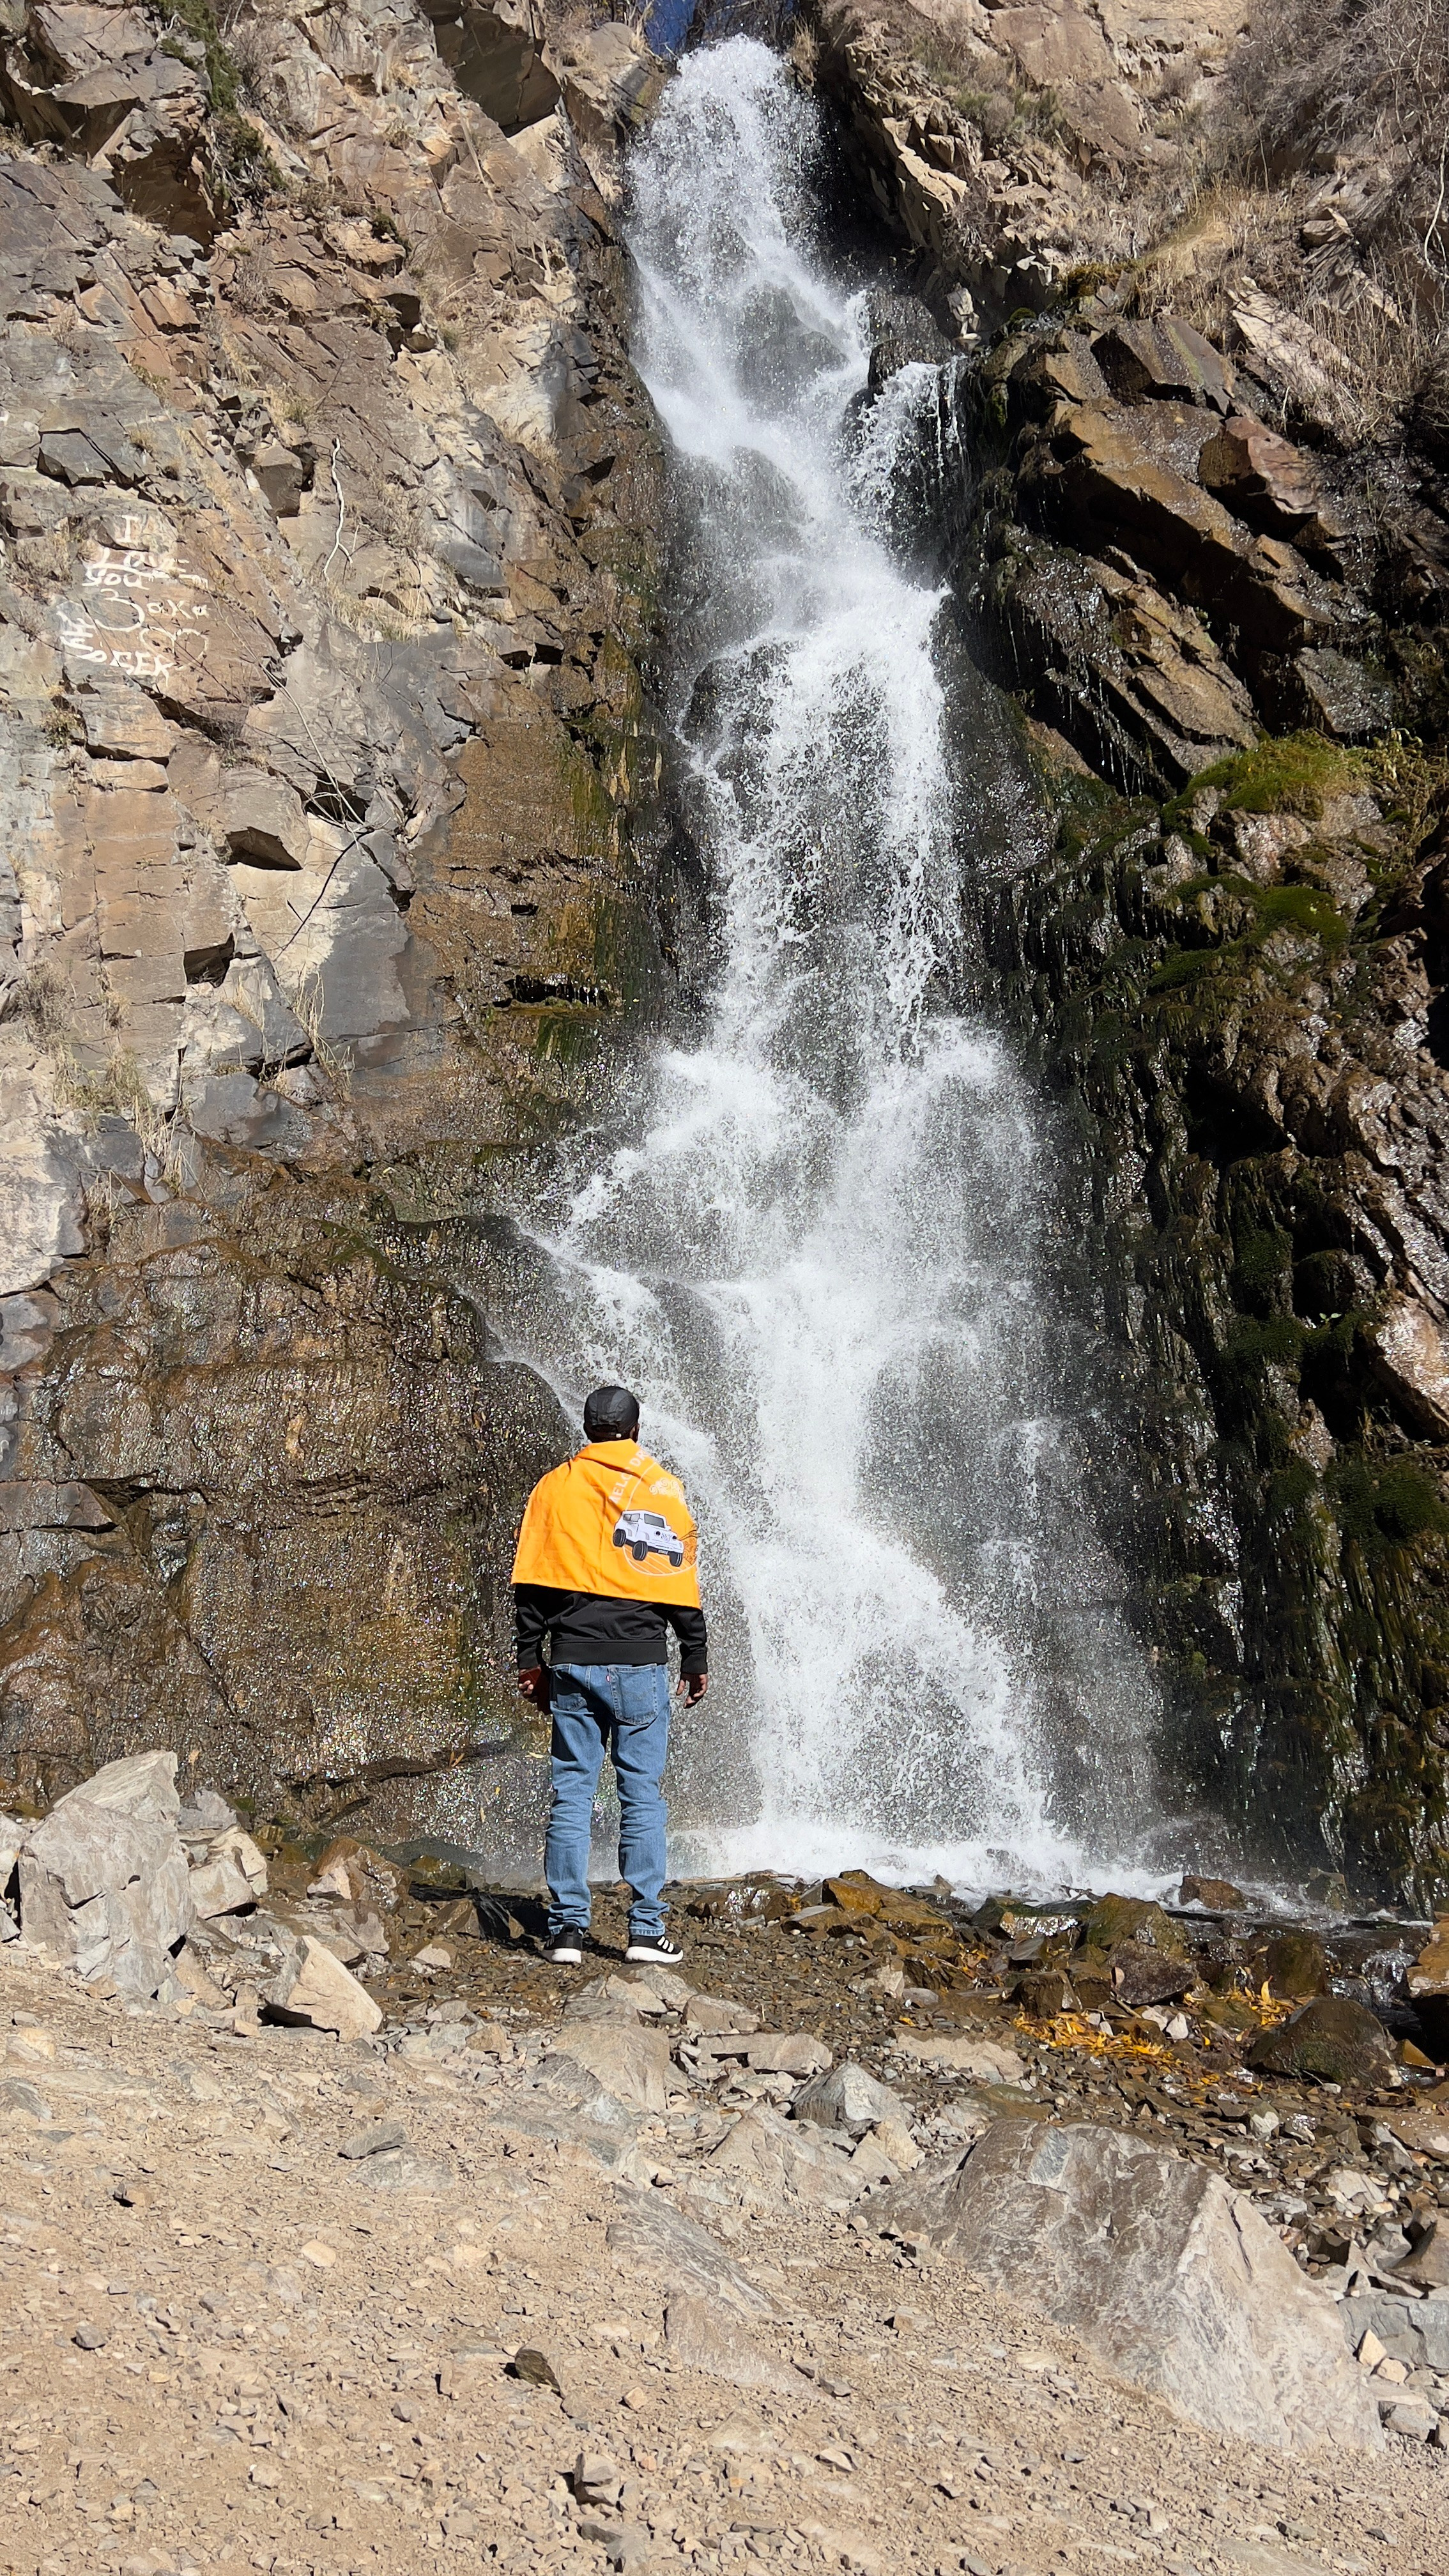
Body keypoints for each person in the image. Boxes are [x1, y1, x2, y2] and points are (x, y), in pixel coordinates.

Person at [512, 1383, 708, 1967]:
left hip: (571, 1658)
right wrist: (694, 1656)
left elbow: (531, 1585)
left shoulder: (554, 1485)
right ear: (636, 1428)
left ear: (587, 1429)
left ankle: (567, 1932)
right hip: (641, 1660)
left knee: (572, 1794)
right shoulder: (659, 1485)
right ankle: (645, 1932)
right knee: (641, 1795)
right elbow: (677, 1584)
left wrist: (530, 1661)